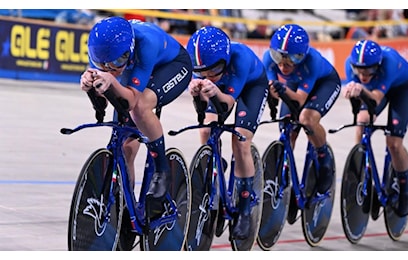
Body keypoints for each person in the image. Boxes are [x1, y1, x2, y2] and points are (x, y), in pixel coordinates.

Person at [79, 16, 193, 219]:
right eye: (102, 64)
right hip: (136, 67)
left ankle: (162, 171)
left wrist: (111, 81)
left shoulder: (145, 43)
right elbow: (104, 102)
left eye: (117, 62)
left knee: (140, 107)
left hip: (170, 66)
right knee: (125, 148)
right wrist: (91, 87)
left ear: (128, 51)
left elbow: (131, 101)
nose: (111, 69)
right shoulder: (101, 51)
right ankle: (126, 210)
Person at [186, 26, 268, 240]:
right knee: (206, 129)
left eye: (213, 70)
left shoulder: (239, 58)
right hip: (222, 88)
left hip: (251, 86)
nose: (208, 76)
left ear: (224, 59)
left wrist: (213, 91)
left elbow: (227, 103)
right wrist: (198, 95)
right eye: (202, 72)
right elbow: (204, 111)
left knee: (240, 141)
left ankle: (244, 207)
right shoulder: (207, 68)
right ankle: (216, 163)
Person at [263, 24, 341, 195]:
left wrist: (281, 90)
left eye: (291, 60)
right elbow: (273, 91)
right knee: (287, 129)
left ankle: (323, 156)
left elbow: (299, 100)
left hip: (324, 84)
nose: (283, 66)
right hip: (295, 85)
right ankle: (286, 180)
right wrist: (277, 90)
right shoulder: (268, 58)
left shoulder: (311, 61)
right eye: (279, 58)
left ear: (302, 56)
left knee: (307, 119)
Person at [342, 39, 408, 217]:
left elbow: (375, 98)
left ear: (378, 65)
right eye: (359, 69)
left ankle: (405, 189)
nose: (363, 74)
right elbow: (362, 100)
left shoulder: (389, 62)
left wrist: (359, 89)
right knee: (362, 120)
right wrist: (352, 94)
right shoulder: (349, 64)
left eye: (368, 69)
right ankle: (360, 167)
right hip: (375, 89)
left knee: (394, 144)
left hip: (401, 90)